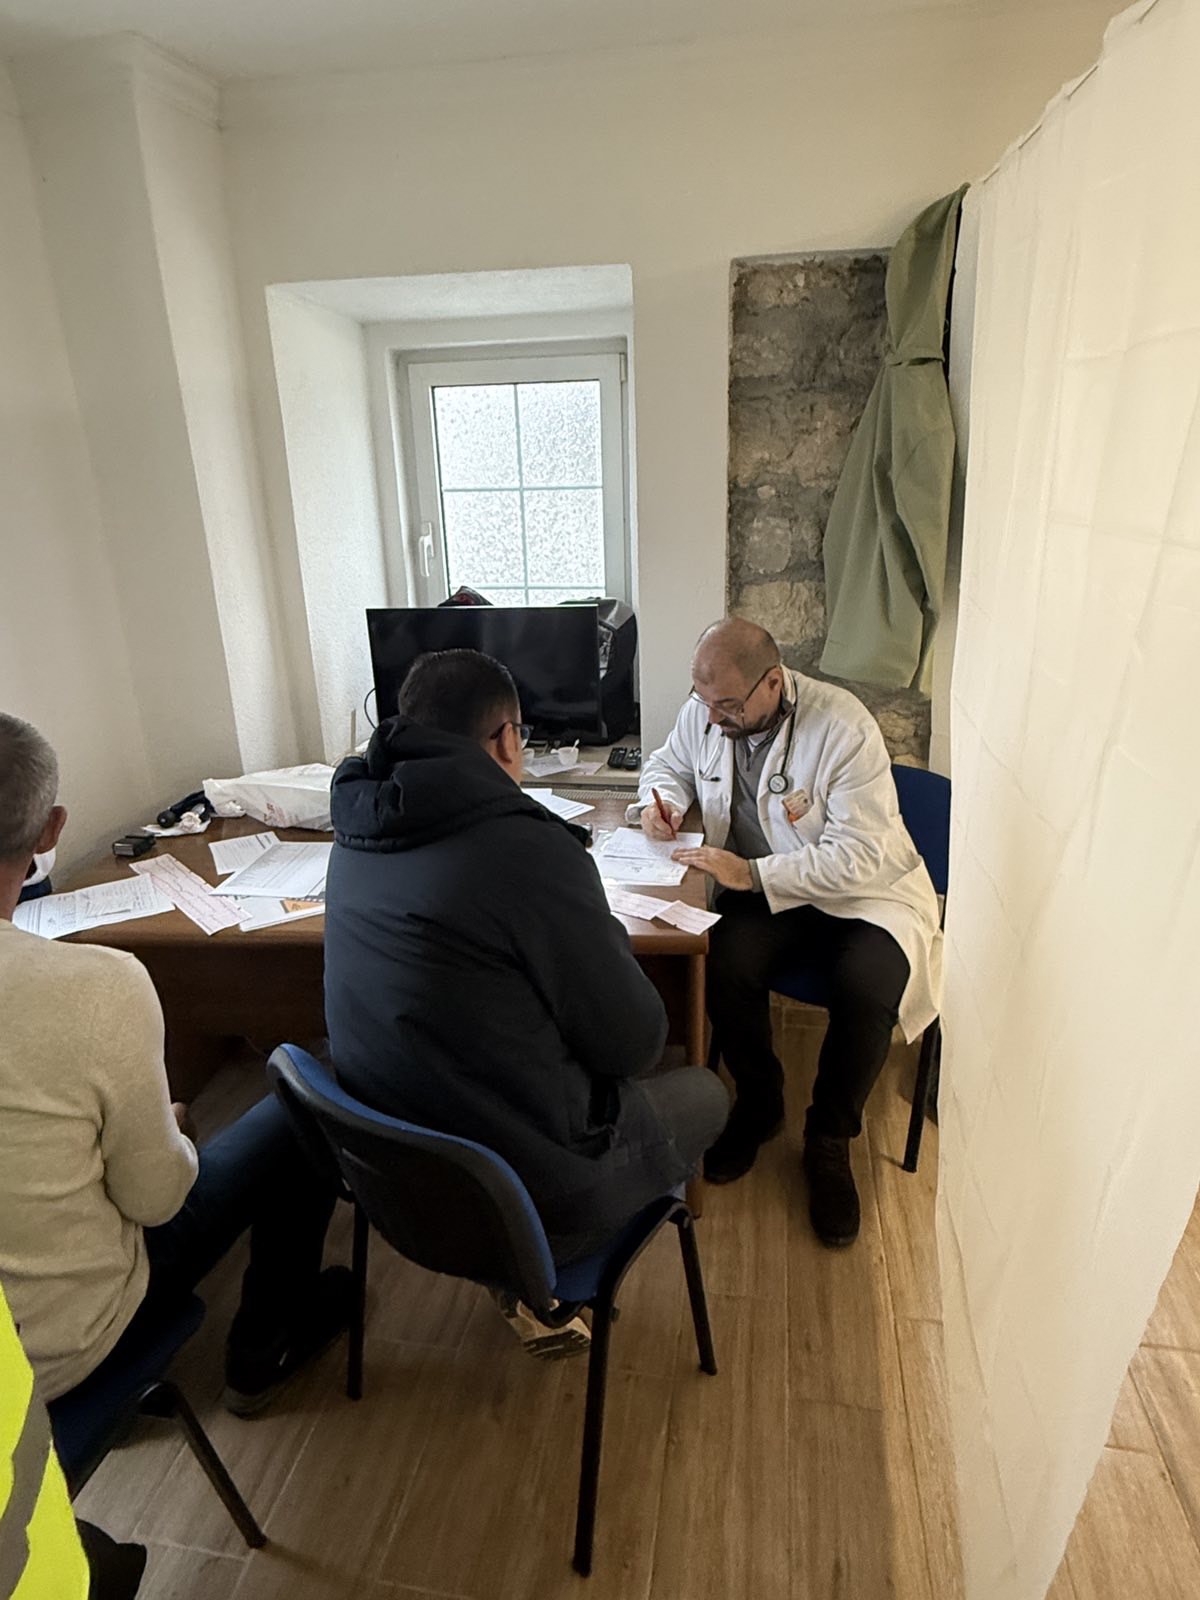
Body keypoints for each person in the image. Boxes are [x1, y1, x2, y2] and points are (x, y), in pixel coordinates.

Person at [323, 649, 729, 1351]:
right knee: (707, 1093)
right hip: (520, 1198)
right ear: (509, 740)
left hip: (393, 1181)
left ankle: (522, 1281)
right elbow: (634, 1045)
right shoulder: (528, 849)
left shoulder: (359, 820)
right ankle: (535, 1279)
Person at [0, 713, 351, 1416]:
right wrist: (173, 1132)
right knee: (302, 1094)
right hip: (55, 1357)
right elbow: (156, 1201)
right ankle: (265, 1347)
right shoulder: (96, 986)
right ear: (50, 830)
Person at [639, 619, 941, 1247]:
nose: (713, 718)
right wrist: (658, 802)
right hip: (770, 891)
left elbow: (859, 856)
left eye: (727, 705)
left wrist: (750, 873)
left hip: (861, 897)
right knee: (723, 960)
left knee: (867, 987)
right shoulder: (709, 712)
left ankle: (829, 1139)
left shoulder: (843, 727)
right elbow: (668, 764)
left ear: (773, 683)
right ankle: (760, 1103)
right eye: (704, 701)